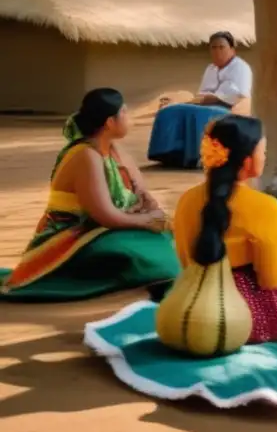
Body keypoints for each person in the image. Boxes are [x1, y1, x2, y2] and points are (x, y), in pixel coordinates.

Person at [1, 89, 179, 301]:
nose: (129, 117)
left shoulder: (115, 151)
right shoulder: (86, 155)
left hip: (106, 229)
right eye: (124, 113)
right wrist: (147, 220)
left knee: (168, 237)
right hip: (73, 237)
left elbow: (139, 192)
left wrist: (147, 205)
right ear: (110, 122)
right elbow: (105, 216)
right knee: (136, 252)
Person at [173, 116, 277, 343]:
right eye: (264, 150)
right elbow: (272, 280)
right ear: (248, 160)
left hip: (191, 301)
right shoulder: (265, 207)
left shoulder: (186, 200)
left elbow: (185, 261)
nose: (266, 155)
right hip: (241, 312)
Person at [148, 31, 253, 167]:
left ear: (232, 50)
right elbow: (203, 93)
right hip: (205, 104)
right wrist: (199, 100)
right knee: (168, 111)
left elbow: (241, 95)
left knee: (198, 113)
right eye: (213, 48)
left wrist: (214, 98)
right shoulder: (210, 69)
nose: (217, 51)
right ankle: (169, 153)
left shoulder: (241, 67)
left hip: (229, 108)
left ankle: (197, 157)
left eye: (221, 47)